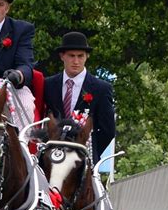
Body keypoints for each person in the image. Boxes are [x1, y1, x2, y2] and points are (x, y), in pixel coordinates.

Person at [44, 31, 116, 163]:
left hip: (84, 158)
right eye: (71, 56)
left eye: (80, 56)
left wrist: (88, 149)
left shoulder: (101, 88)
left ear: (87, 56)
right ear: (62, 56)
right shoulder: (48, 85)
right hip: (52, 157)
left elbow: (108, 130)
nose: (76, 61)